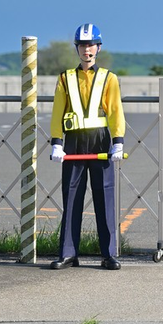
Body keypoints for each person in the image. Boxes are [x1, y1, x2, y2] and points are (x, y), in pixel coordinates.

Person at [49, 23, 125, 271]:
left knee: (104, 197)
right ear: (77, 48)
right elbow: (57, 112)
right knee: (71, 197)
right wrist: (57, 142)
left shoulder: (109, 78)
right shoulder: (65, 78)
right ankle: (68, 253)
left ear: (98, 47)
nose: (86, 50)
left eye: (91, 45)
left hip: (100, 141)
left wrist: (118, 141)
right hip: (73, 142)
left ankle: (109, 254)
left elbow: (115, 111)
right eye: (82, 45)